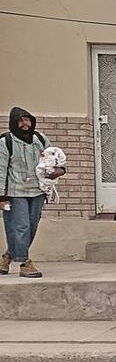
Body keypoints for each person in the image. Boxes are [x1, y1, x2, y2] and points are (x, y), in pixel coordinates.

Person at [1, 107, 64, 279]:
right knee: (21, 226)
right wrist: (1, 197)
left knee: (32, 226)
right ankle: (24, 263)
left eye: (27, 119)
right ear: (14, 123)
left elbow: (54, 159)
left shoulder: (40, 139)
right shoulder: (6, 141)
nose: (24, 123)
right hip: (15, 192)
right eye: (20, 120)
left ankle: (7, 257)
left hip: (38, 191)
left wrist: (60, 170)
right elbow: (0, 170)